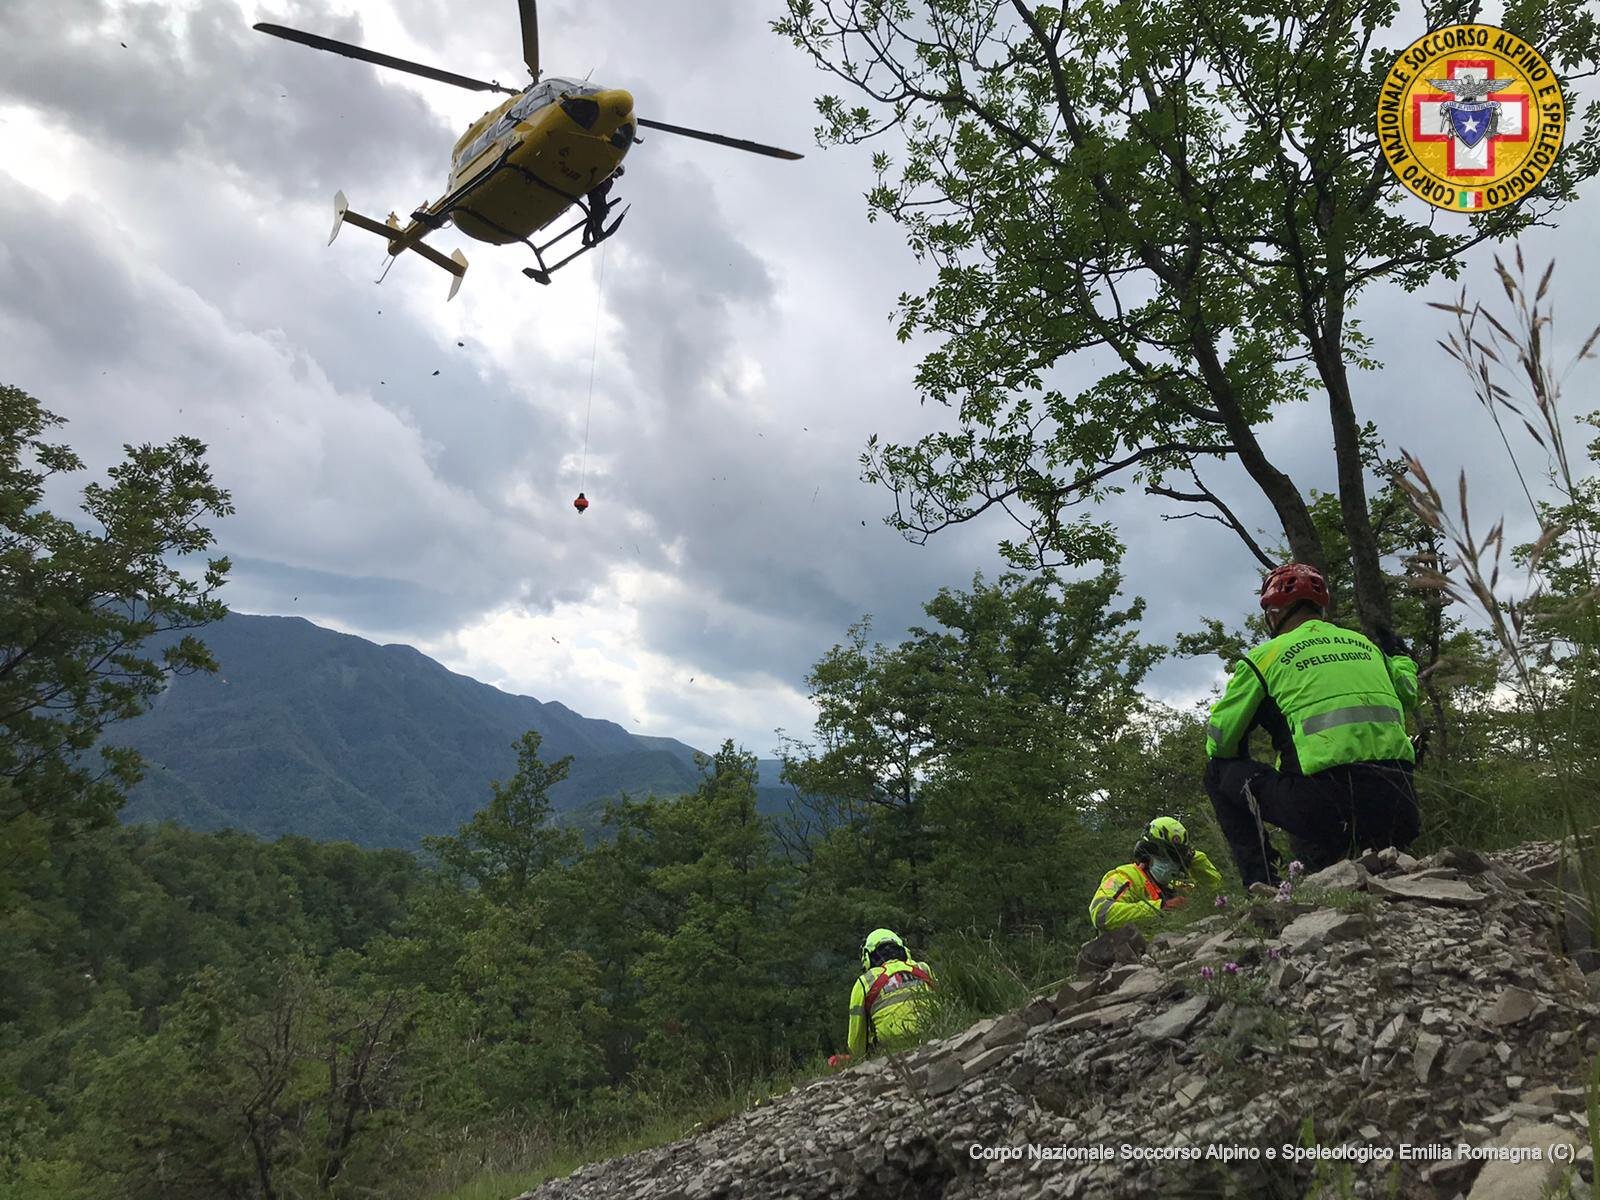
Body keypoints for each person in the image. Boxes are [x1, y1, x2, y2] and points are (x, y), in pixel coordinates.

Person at [1204, 562, 1421, 887]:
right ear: (1320, 608)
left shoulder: (1265, 657)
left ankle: (1262, 885)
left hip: (1325, 811)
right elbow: (1407, 693)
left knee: (1218, 771)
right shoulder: (1368, 647)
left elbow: (1220, 740)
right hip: (1400, 809)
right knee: (1301, 781)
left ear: (1274, 614)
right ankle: (1356, 863)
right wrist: (1401, 656)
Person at [1088, 816, 1224, 931]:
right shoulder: (1125, 877)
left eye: (1176, 859)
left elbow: (1218, 891)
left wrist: (1196, 860)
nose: (1171, 863)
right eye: (1165, 856)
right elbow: (1101, 913)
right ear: (1148, 853)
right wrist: (1161, 907)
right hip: (1127, 956)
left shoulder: (1177, 886)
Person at [827, 928, 934, 1067]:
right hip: (931, 1039)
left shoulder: (864, 982)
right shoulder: (923, 968)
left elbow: (856, 1044)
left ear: (867, 956)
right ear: (903, 948)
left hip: (892, 1054)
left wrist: (857, 1058)